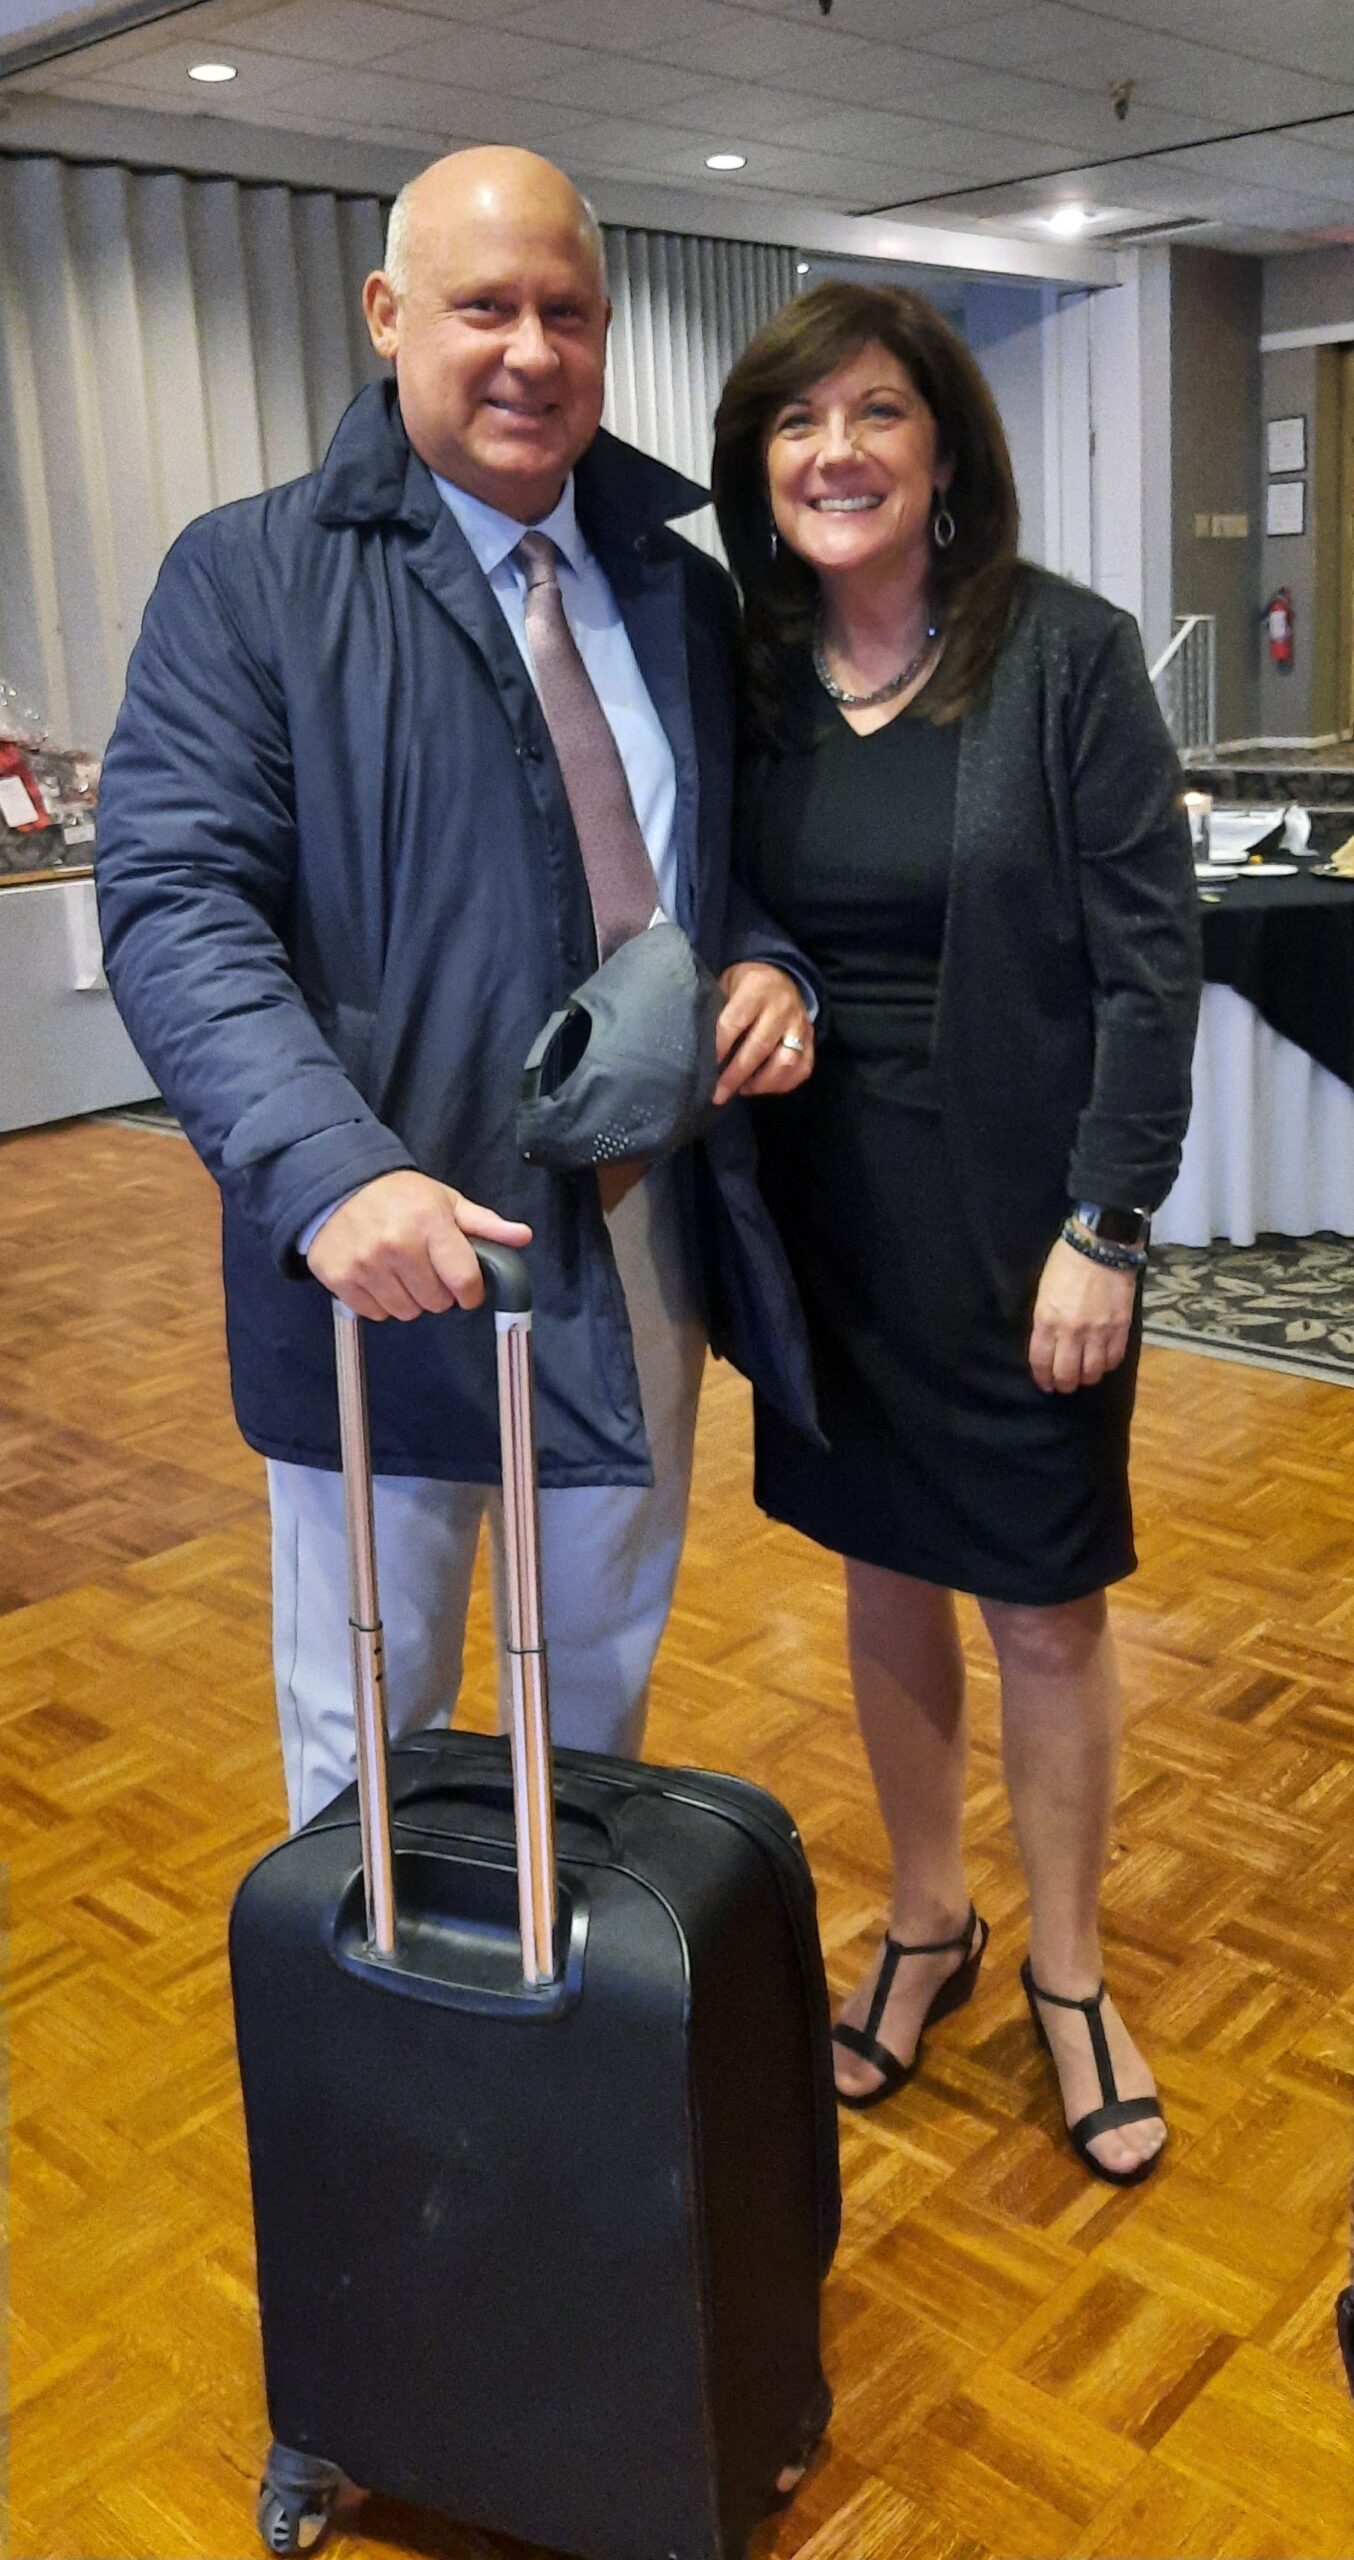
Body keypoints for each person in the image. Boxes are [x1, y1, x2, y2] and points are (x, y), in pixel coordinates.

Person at [96, 148, 819, 1829]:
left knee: (599, 1682)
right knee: (372, 1710)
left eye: (567, 312)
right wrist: (326, 1172)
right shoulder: (249, 579)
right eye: (483, 306)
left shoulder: (679, 591)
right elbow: (177, 901)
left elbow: (725, 868)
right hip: (395, 1245)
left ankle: (564, 1980)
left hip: (636, 1235)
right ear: (386, 314)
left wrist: (767, 966)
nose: (529, 351)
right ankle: (381, 1994)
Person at [712, 282, 1201, 2187]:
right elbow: (718, 900)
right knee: (881, 1570)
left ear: (941, 450)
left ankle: (1069, 1970)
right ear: (760, 464)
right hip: (828, 1225)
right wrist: (761, 976)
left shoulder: (1062, 657)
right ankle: (929, 1919)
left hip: (1022, 1228)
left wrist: (1108, 1223)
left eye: (874, 413)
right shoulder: (751, 669)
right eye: (796, 421)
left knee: (1046, 1608)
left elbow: (1149, 968)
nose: (835, 452)